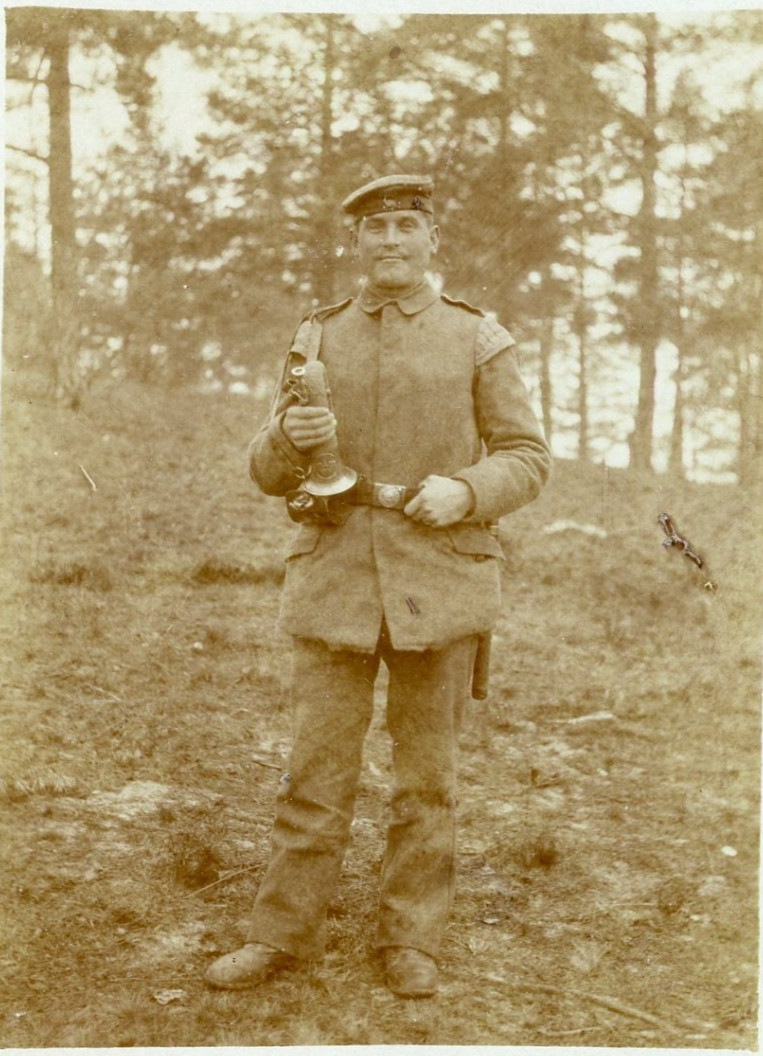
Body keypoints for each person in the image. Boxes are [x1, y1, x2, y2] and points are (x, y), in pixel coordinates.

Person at [204, 174, 551, 998]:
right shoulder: (316, 336)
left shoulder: (477, 338)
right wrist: (290, 437)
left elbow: (527, 455)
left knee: (426, 781)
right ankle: (281, 935)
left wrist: (466, 491)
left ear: (432, 242)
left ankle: (411, 941)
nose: (390, 240)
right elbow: (263, 469)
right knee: (314, 773)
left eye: (405, 226)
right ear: (354, 245)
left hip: (441, 580)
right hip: (335, 583)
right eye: (374, 228)